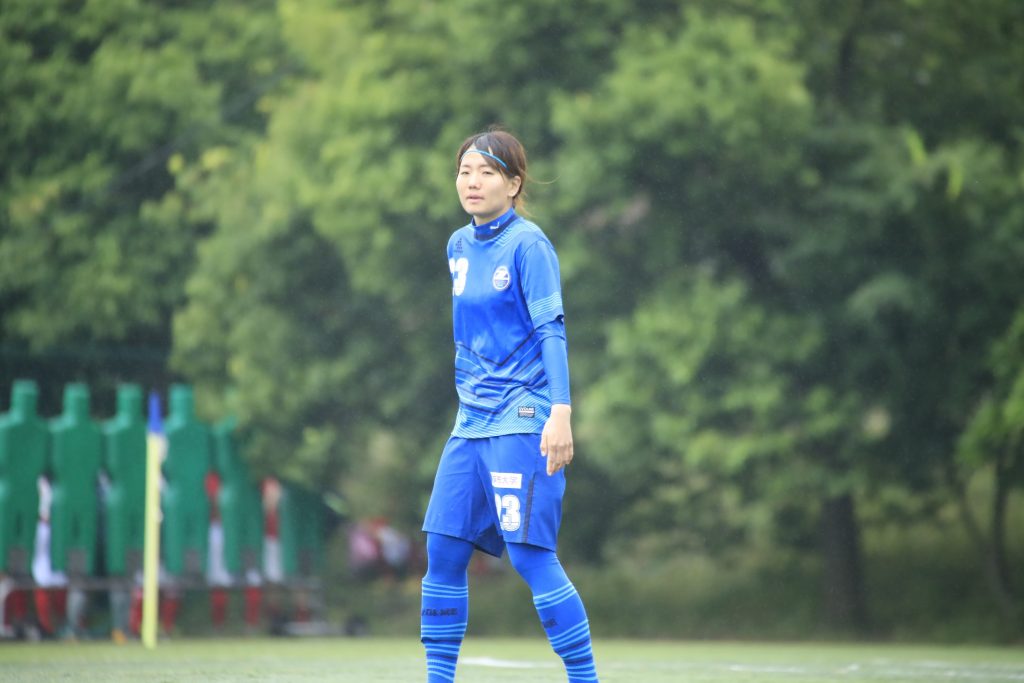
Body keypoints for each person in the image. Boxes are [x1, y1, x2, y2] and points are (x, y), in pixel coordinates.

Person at [420, 128, 599, 682]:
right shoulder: (457, 245)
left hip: (522, 416)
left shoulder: (529, 245)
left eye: (487, 172)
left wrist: (560, 412)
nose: (472, 182)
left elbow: (552, 332)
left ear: (514, 184)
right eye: (464, 171)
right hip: (470, 423)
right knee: (443, 552)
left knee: (530, 556)